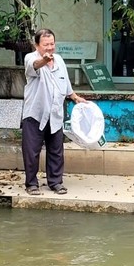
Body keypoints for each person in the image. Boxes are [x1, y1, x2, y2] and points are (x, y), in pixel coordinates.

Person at [22, 28, 87, 196]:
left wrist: (74, 97)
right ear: (37, 45)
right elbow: (34, 66)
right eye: (46, 45)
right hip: (35, 113)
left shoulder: (59, 60)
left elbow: (65, 83)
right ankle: (31, 184)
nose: (50, 48)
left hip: (56, 112)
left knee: (56, 150)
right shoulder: (31, 58)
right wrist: (43, 60)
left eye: (52, 44)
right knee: (31, 151)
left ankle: (56, 182)